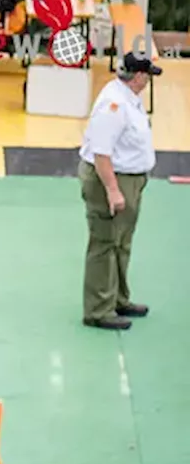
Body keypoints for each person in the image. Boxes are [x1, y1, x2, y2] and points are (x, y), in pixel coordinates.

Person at [77, 52, 160, 331]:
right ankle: (98, 309)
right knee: (105, 242)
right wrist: (113, 191)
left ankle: (118, 298)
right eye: (147, 75)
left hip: (130, 178)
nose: (148, 81)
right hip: (112, 179)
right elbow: (101, 153)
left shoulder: (126, 97)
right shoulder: (114, 105)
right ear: (138, 77)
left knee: (121, 242)